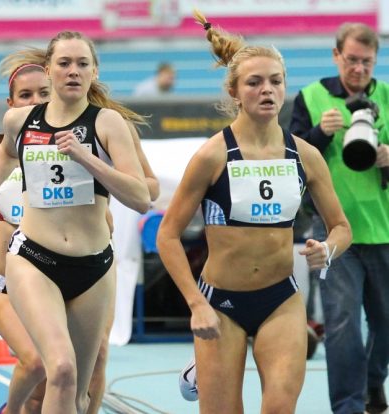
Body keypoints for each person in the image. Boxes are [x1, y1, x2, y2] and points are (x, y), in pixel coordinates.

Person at [156, 11, 352, 414]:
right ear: (235, 92)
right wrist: (195, 304)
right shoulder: (212, 155)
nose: (267, 91)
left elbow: (341, 228)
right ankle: (203, 367)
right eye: (255, 82)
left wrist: (328, 250)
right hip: (220, 305)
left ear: (285, 87)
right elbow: (168, 235)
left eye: (276, 81)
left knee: (280, 407)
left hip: (281, 300)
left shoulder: (306, 154)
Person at [0, 47, 159, 414]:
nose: (36, 100)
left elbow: (146, 191)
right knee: (49, 366)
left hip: (90, 261)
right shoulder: (16, 133)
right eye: (64, 64)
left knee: (81, 375)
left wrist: (101, 176)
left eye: (81, 64)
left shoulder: (106, 126)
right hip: (23, 265)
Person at [289, 22, 389, 414]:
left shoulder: (388, 96)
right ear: (336, 55)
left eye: (367, 61)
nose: (359, 69)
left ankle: (371, 382)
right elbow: (290, 159)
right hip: (333, 231)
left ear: (375, 60)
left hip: (384, 228)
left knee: (386, 323)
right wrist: (320, 132)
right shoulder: (311, 97)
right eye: (351, 60)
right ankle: (348, 406)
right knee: (343, 323)